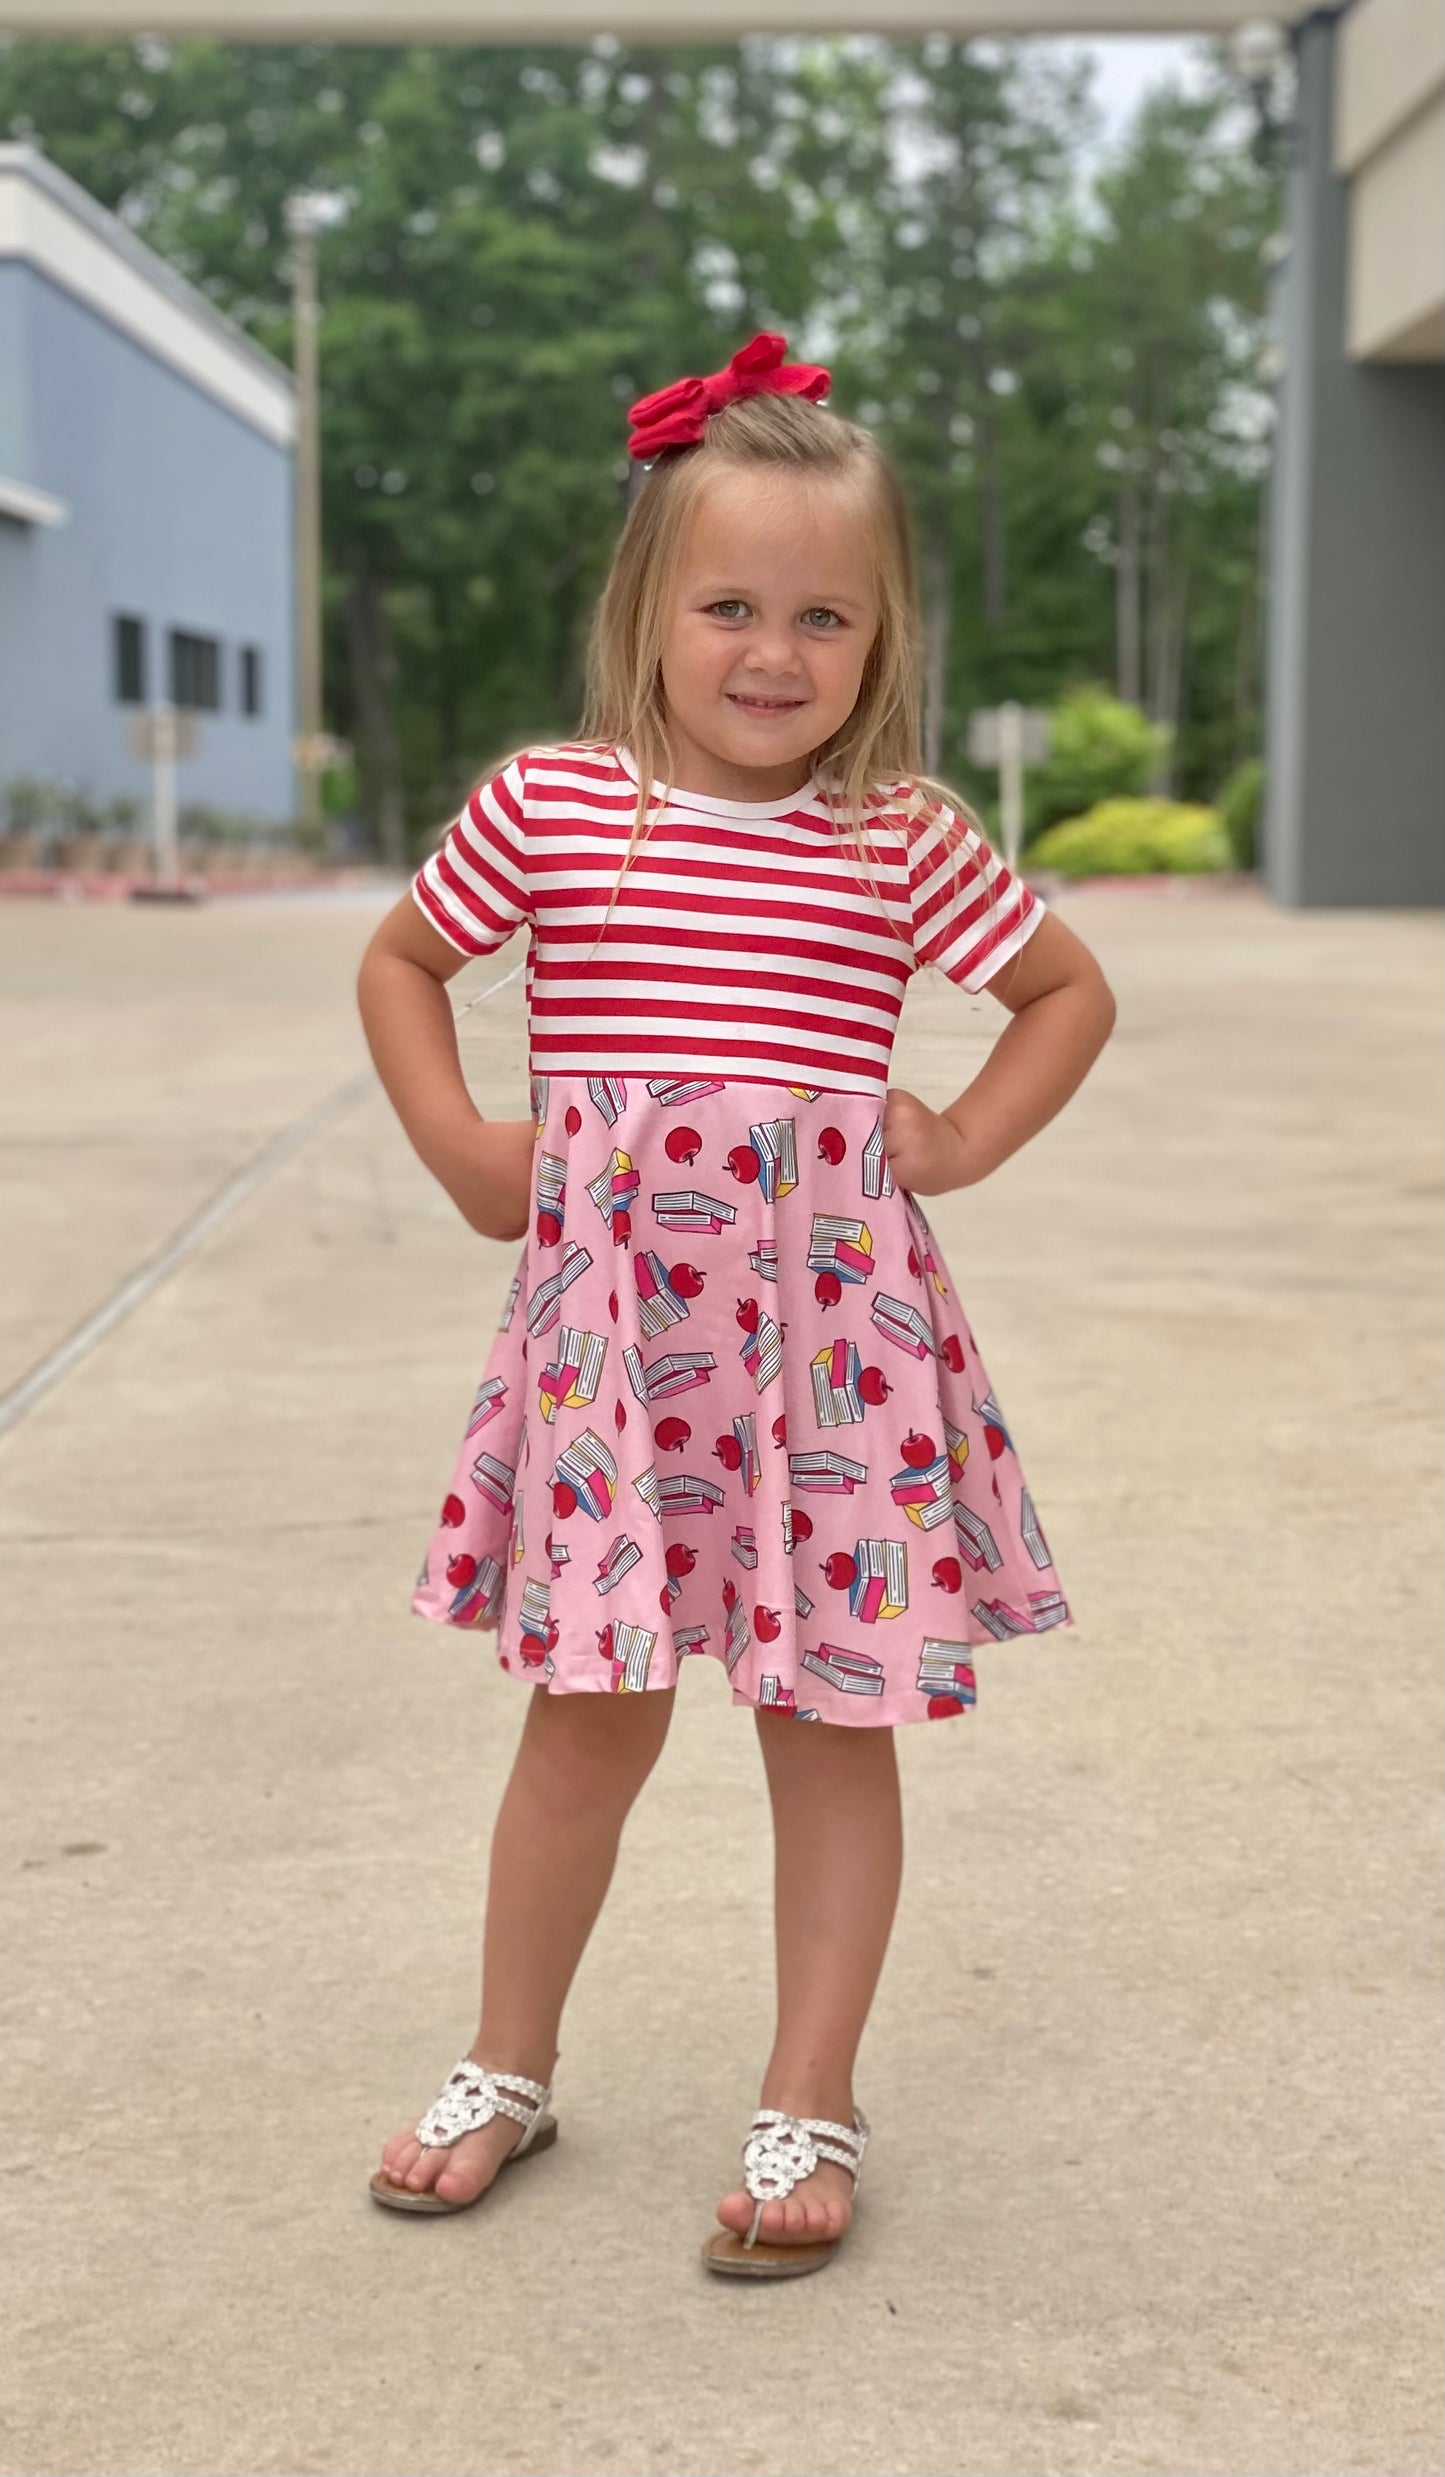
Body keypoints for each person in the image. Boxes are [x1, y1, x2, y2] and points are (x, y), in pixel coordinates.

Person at [356, 330, 1116, 2277]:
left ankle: (809, 2100)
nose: (773, 652)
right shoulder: (559, 812)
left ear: (878, 638)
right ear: (648, 609)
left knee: (827, 1728)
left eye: (823, 616)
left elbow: (1067, 993)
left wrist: (955, 1140)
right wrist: (460, 1143)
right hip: (619, 1352)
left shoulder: (900, 840)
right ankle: (506, 2064)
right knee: (582, 1722)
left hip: (831, 1357)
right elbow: (401, 963)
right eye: (728, 606)